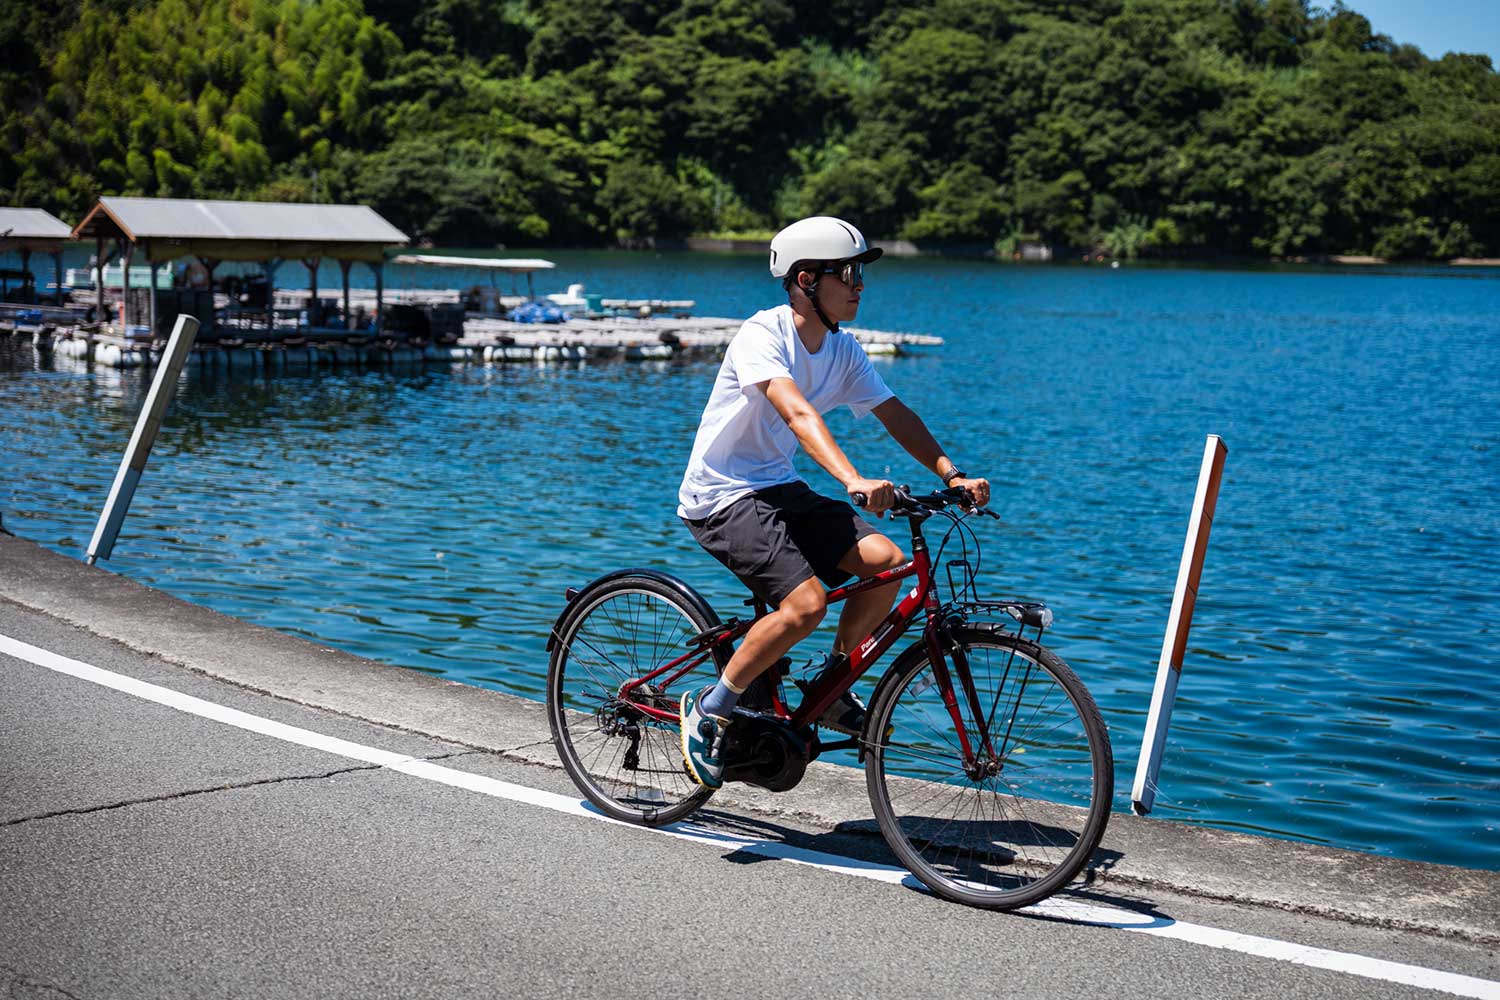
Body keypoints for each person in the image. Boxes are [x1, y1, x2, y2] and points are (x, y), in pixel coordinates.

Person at [676, 215, 991, 788]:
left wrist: (952, 473)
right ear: (805, 280)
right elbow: (798, 414)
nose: (859, 285)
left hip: (778, 488)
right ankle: (711, 708)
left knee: (889, 563)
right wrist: (851, 479)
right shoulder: (762, 335)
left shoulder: (842, 351)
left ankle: (832, 684)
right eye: (847, 274)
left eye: (859, 274)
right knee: (806, 607)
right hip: (722, 495)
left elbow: (894, 413)